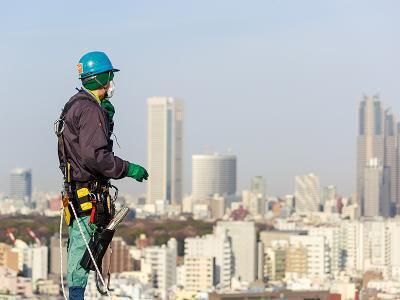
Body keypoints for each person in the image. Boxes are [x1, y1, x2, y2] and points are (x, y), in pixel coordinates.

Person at [56, 51, 148, 300]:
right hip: (87, 195)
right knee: (83, 253)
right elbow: (95, 156)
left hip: (80, 192)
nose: (111, 83)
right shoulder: (88, 110)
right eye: (109, 77)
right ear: (100, 78)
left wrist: (105, 117)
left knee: (83, 251)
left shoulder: (75, 105)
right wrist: (129, 169)